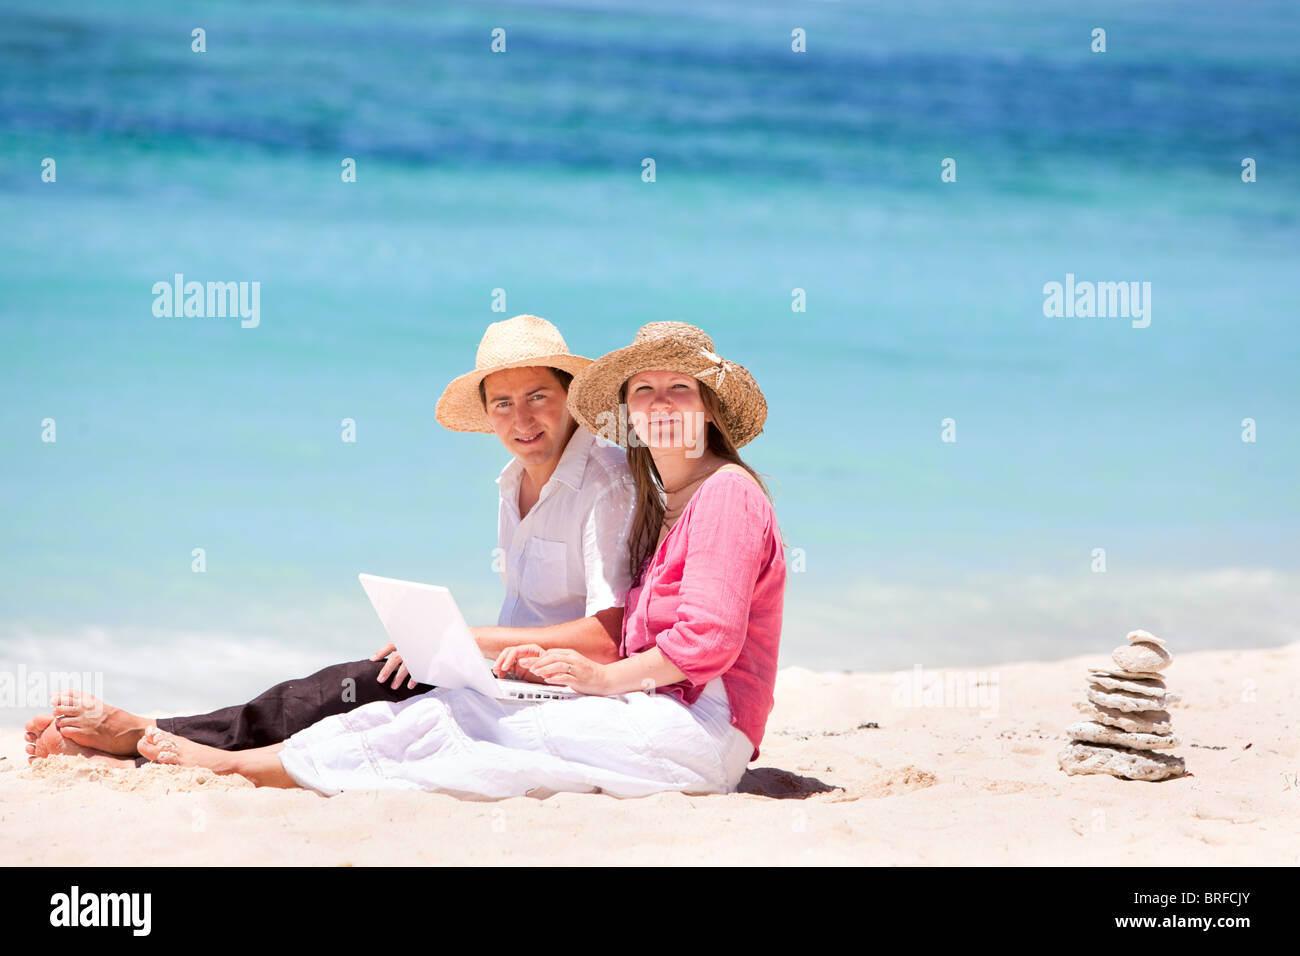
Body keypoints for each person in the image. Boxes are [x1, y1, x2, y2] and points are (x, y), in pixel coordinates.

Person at [128, 321, 785, 799]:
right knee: (438, 713)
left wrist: (597, 679)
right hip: (662, 712)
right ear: (627, 411)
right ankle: (255, 760)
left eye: (680, 389)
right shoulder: (671, 503)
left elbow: (707, 640)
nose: (661, 405)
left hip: (699, 729)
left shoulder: (724, 492)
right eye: (645, 391)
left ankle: (237, 766)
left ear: (709, 407)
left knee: (457, 724)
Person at [24, 315, 637, 763]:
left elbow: (611, 636)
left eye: (538, 397)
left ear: (570, 401)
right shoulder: (512, 483)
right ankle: (149, 736)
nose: (521, 419)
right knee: (359, 683)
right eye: (502, 403)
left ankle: (147, 732)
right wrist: (457, 651)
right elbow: (529, 615)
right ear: (486, 413)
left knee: (358, 688)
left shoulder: (604, 481)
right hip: (505, 671)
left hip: (565, 688)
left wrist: (471, 639)